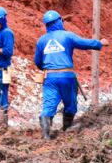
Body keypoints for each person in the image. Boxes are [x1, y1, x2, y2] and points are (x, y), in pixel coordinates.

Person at [33, 10, 108, 139]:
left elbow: (37, 61)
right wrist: (100, 43)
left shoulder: (41, 41)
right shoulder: (67, 36)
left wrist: (47, 67)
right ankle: (67, 127)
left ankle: (46, 134)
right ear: (59, 21)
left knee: (49, 103)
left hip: (49, 77)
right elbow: (84, 43)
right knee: (70, 103)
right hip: (66, 76)